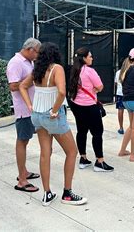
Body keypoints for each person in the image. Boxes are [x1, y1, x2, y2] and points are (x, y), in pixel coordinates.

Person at [19, 42, 88, 206]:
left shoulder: (37, 70)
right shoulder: (57, 69)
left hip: (37, 115)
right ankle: (67, 193)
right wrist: (55, 110)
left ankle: (47, 193)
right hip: (52, 116)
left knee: (45, 153)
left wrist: (30, 105)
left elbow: (22, 86)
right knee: (72, 151)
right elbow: (62, 92)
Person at [68, 47, 114, 172]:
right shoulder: (89, 71)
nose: (92, 58)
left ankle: (83, 158)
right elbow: (100, 87)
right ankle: (100, 161)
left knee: (81, 131)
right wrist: (95, 89)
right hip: (89, 105)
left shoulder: (74, 70)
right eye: (90, 56)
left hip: (76, 104)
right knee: (97, 133)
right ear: (84, 58)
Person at [6, 38, 41, 193]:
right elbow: (13, 86)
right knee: (22, 141)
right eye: (37, 52)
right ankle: (22, 180)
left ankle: (24, 172)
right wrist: (31, 80)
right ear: (31, 49)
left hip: (31, 109)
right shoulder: (16, 63)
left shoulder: (28, 62)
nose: (37, 56)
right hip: (23, 111)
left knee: (25, 141)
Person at [114, 59, 130, 135]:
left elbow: (116, 83)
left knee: (120, 110)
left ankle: (121, 128)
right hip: (128, 93)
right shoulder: (129, 72)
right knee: (132, 110)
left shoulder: (118, 72)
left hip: (120, 93)